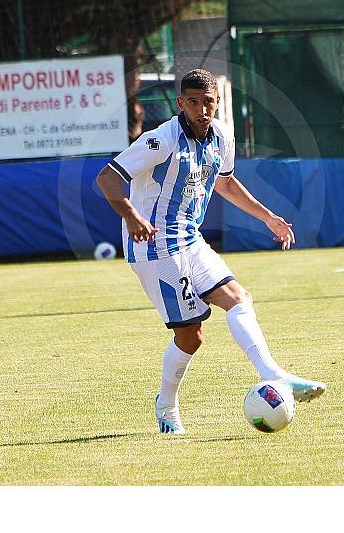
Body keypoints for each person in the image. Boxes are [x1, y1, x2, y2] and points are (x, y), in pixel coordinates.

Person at [96, 68, 325, 434]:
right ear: (180, 103)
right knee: (192, 336)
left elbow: (226, 183)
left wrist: (268, 217)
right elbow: (107, 178)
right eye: (193, 102)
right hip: (154, 247)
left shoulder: (221, 137)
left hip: (190, 238)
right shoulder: (161, 140)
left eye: (208, 102)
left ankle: (275, 375)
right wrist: (132, 216)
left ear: (218, 102)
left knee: (239, 298)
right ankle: (166, 405)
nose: (202, 110)